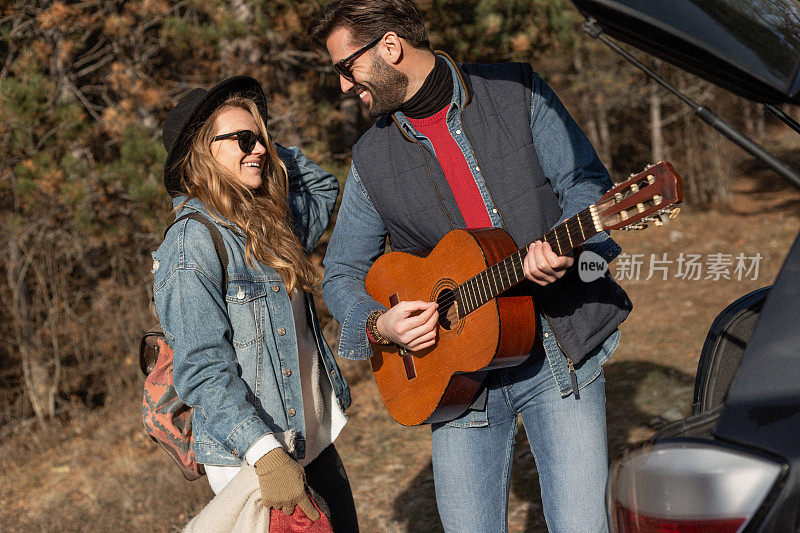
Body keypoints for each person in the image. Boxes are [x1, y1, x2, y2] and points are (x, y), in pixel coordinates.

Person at [310, 2, 633, 531]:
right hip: (455, 377)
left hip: (556, 346)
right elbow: (342, 270)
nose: (344, 86)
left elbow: (585, 184)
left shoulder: (515, 91)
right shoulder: (371, 159)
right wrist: (378, 323)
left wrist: (569, 248)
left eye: (347, 68)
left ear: (390, 48)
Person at [152, 75, 358, 531]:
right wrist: (265, 456)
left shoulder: (268, 224)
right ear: (201, 152)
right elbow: (203, 368)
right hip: (257, 458)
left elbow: (323, 187)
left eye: (261, 137)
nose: (260, 149)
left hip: (309, 443)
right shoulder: (192, 243)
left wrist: (259, 146)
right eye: (244, 139)